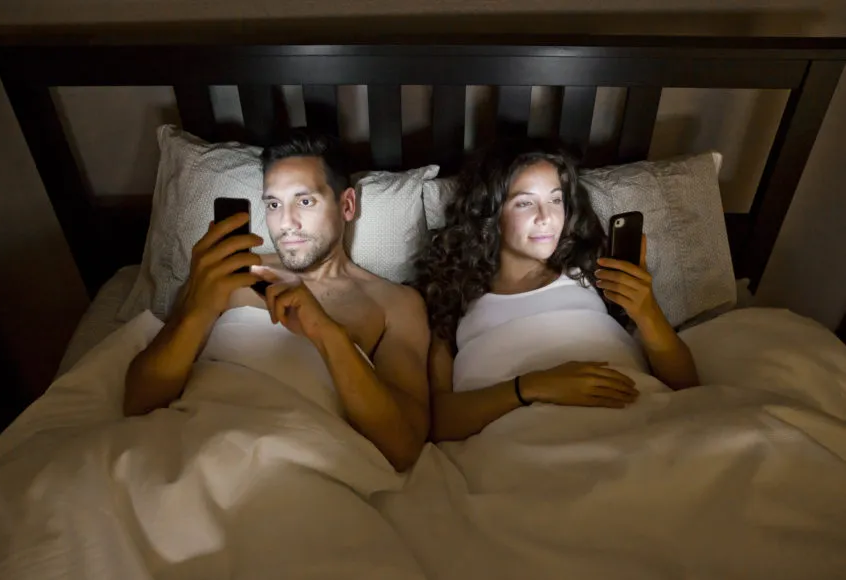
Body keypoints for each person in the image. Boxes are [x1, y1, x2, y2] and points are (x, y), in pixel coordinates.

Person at [124, 131, 430, 471]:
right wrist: (196, 309)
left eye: (305, 201)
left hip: (298, 464)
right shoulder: (224, 274)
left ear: (346, 205)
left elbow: (404, 446)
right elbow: (139, 400)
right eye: (273, 204)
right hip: (189, 448)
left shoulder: (394, 304)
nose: (286, 223)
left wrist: (326, 332)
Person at [415, 139, 699, 442]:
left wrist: (647, 311)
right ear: (492, 214)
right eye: (525, 203)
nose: (546, 217)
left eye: (555, 200)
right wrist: (535, 386)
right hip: (528, 434)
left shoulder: (592, 271)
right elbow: (440, 422)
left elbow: (686, 386)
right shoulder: (455, 296)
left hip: (637, 422)